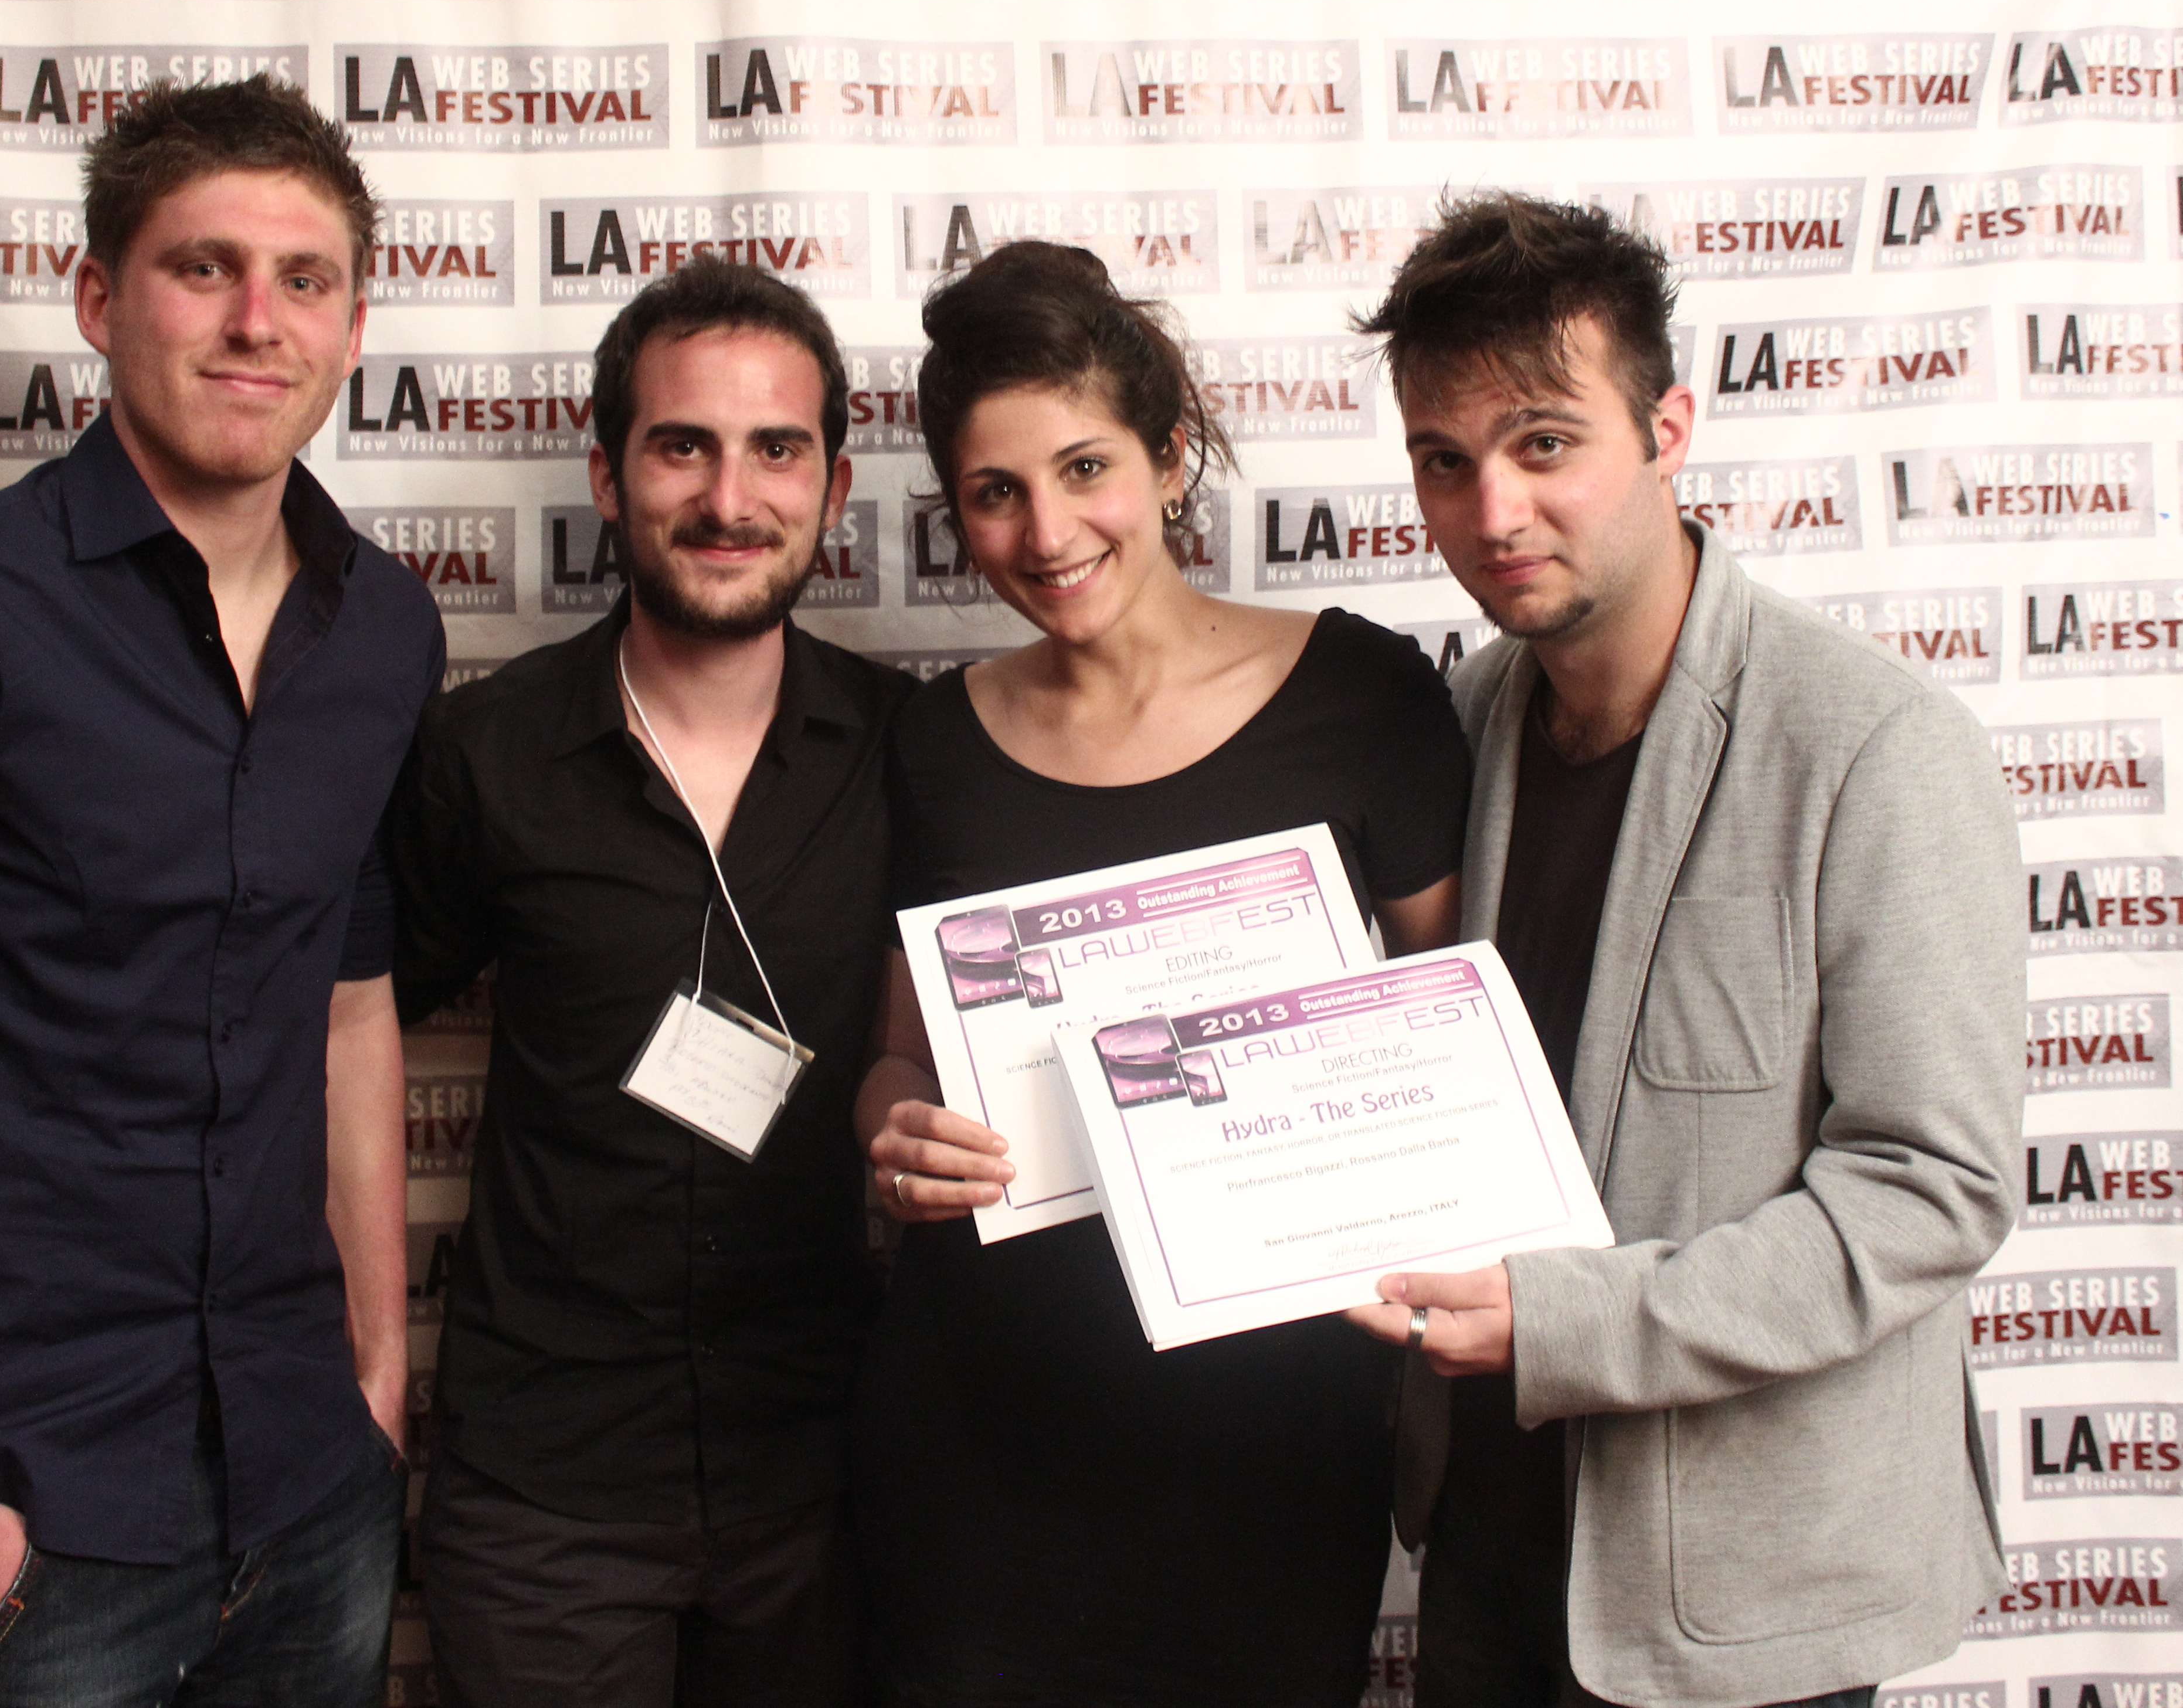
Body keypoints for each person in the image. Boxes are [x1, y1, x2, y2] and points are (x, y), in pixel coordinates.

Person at [0, 77, 442, 1707]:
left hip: (301, 1477)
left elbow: (348, 1005)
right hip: (17, 1502)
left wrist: (375, 1383)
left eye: (305, 279)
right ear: (99, 299)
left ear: (351, 325)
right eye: (203, 269)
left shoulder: (386, 631)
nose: (257, 320)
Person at [1342, 193, 2020, 1708]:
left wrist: (1571, 1322)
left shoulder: (1875, 747)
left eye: (1541, 443)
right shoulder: (1460, 725)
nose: (1491, 513)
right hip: (1483, 1550)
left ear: (1667, 427)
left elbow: (1932, 1188)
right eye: (1442, 463)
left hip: (1740, 1595)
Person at [855, 241, 1469, 1708]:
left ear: (1171, 452)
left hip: (1269, 1441)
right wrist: (891, 1137)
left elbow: (1456, 1048)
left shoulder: (1366, 697)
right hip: (979, 1442)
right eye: (994, 492)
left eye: (1084, 468)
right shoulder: (930, 742)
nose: (1045, 529)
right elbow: (892, 1062)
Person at [387, 257, 915, 1708]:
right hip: (546, 1486)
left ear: (834, 480)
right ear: (610, 477)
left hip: (829, 1478)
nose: (729, 497)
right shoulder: (484, 752)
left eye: (776, 450)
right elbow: (335, 1026)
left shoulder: (913, 752)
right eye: (683, 444)